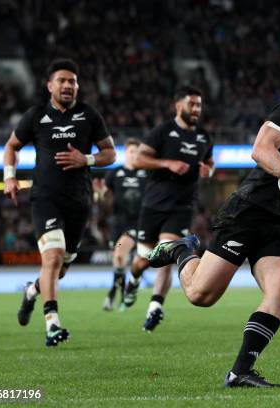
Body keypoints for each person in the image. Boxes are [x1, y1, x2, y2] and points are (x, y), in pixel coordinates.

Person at [146, 38, 280, 388]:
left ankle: (240, 370)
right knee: (200, 296)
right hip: (251, 209)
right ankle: (184, 250)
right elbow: (261, 150)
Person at [3, 58, 116, 346]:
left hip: (79, 201)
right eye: (62, 81)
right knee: (52, 258)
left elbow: (110, 153)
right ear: (50, 85)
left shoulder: (89, 115)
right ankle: (52, 323)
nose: (68, 85)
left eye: (73, 81)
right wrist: (9, 177)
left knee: (60, 269)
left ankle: (32, 291)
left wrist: (86, 159)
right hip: (45, 198)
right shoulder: (36, 115)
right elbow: (11, 146)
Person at [122, 85, 215, 332]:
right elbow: (139, 159)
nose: (196, 109)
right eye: (192, 104)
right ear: (178, 106)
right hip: (153, 205)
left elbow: (209, 164)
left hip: (181, 206)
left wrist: (209, 170)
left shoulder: (204, 137)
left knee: (166, 254)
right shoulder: (162, 131)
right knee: (143, 260)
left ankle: (155, 307)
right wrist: (167, 163)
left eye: (199, 105)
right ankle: (133, 279)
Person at [94, 138, 147, 311]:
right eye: (131, 152)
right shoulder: (114, 174)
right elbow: (105, 201)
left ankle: (117, 295)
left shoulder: (146, 174)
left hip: (137, 224)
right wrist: (100, 194)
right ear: (126, 153)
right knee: (119, 260)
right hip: (118, 225)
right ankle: (119, 293)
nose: (134, 155)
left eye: (136, 152)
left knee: (119, 253)